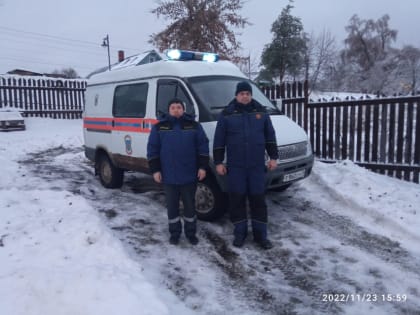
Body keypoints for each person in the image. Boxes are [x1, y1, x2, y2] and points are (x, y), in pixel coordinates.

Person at [213, 81, 279, 249]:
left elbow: (270, 136)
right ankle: (240, 234)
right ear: (236, 95)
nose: (245, 96)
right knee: (237, 200)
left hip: (256, 166)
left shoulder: (261, 112)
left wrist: (273, 157)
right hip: (236, 167)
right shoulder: (227, 114)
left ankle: (260, 236)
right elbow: (219, 140)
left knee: (258, 200)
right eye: (242, 93)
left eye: (247, 93)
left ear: (251, 95)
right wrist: (219, 162)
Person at [147, 98, 209, 245]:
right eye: (173, 107)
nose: (176, 110)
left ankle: (190, 233)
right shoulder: (159, 127)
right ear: (169, 110)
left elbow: (203, 147)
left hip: (189, 175)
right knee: (172, 207)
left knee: (190, 206)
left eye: (179, 107)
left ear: (183, 109)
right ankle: (174, 233)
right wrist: (155, 170)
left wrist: (202, 167)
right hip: (169, 176)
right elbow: (153, 150)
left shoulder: (194, 126)